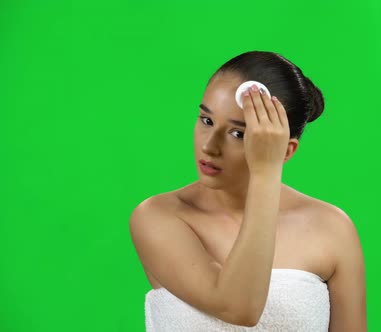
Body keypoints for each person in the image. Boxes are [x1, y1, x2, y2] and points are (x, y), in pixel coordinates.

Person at [129, 51, 367, 331]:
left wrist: (266, 169)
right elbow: (238, 307)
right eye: (207, 121)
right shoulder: (158, 217)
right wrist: (266, 176)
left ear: (285, 151)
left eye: (239, 134)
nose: (209, 146)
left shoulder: (332, 228)